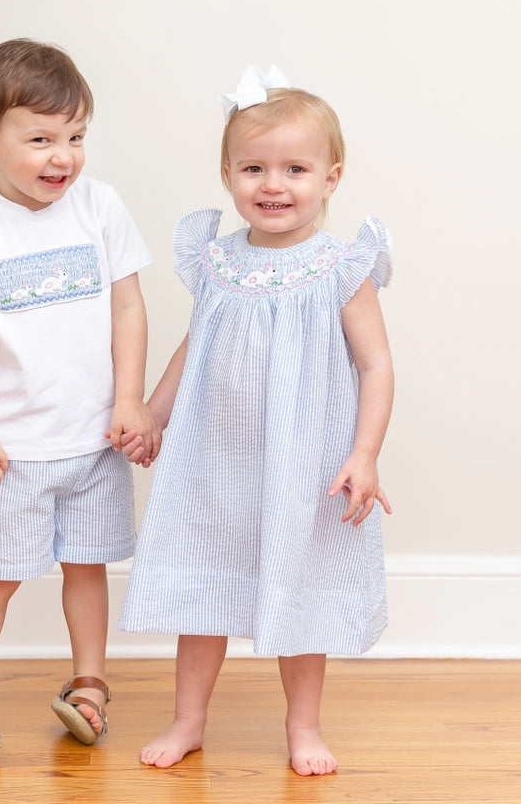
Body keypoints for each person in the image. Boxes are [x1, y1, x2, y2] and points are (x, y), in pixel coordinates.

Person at [118, 65, 395, 776]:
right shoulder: (216, 260)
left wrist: (364, 453)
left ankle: (303, 726)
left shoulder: (340, 266)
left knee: (299, 591)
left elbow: (376, 366)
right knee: (204, 592)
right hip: (217, 458)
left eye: (295, 169)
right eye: (254, 169)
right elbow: (196, 346)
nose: (274, 185)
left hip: (305, 460)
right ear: (228, 175)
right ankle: (189, 720)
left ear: (331, 178)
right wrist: (154, 413)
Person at [0, 38, 156, 760]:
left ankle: (90, 685)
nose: (64, 157)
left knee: (88, 568)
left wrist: (131, 401)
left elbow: (128, 309)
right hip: (14, 451)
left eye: (76, 137)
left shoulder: (99, 206)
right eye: (42, 139)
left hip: (94, 441)